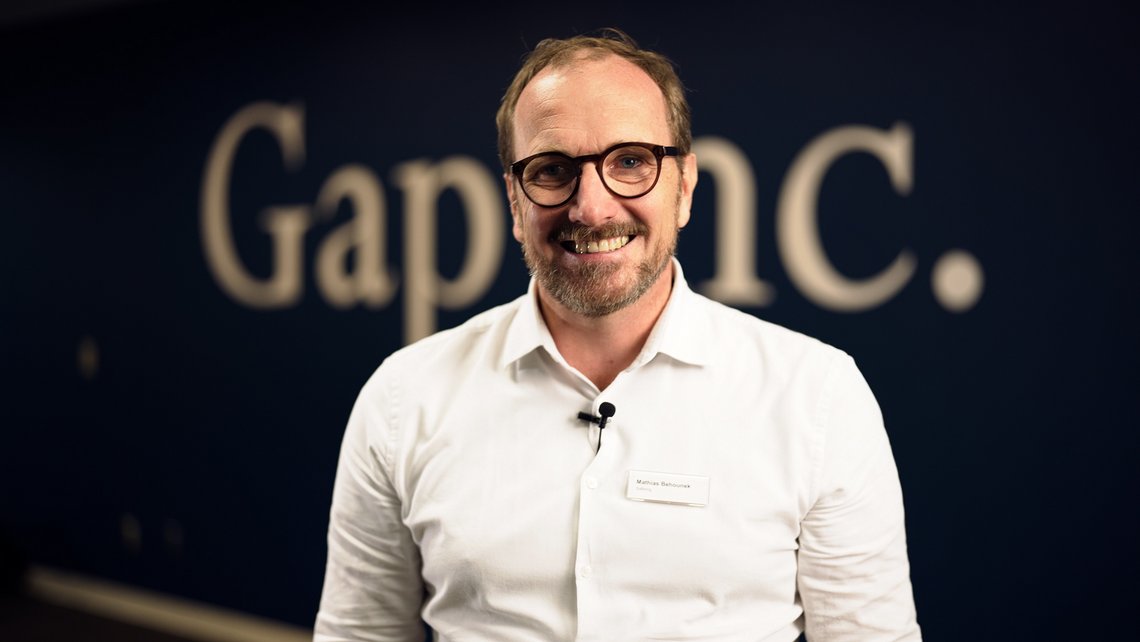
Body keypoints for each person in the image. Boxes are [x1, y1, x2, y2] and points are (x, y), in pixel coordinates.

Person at [315, 29, 921, 642]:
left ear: (683, 185)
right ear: (513, 201)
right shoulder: (404, 398)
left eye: (630, 161)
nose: (592, 207)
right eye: (552, 170)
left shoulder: (816, 396)